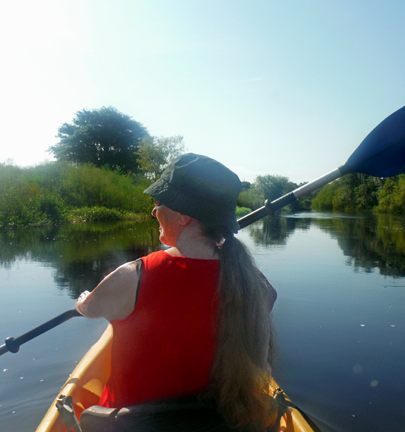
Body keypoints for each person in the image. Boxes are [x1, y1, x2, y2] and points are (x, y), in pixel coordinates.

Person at [76, 153, 277, 431]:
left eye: (158, 204)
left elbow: (89, 309)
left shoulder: (132, 276)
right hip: (218, 423)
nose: (153, 212)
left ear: (183, 216)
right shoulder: (249, 280)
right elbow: (269, 298)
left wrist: (84, 300)